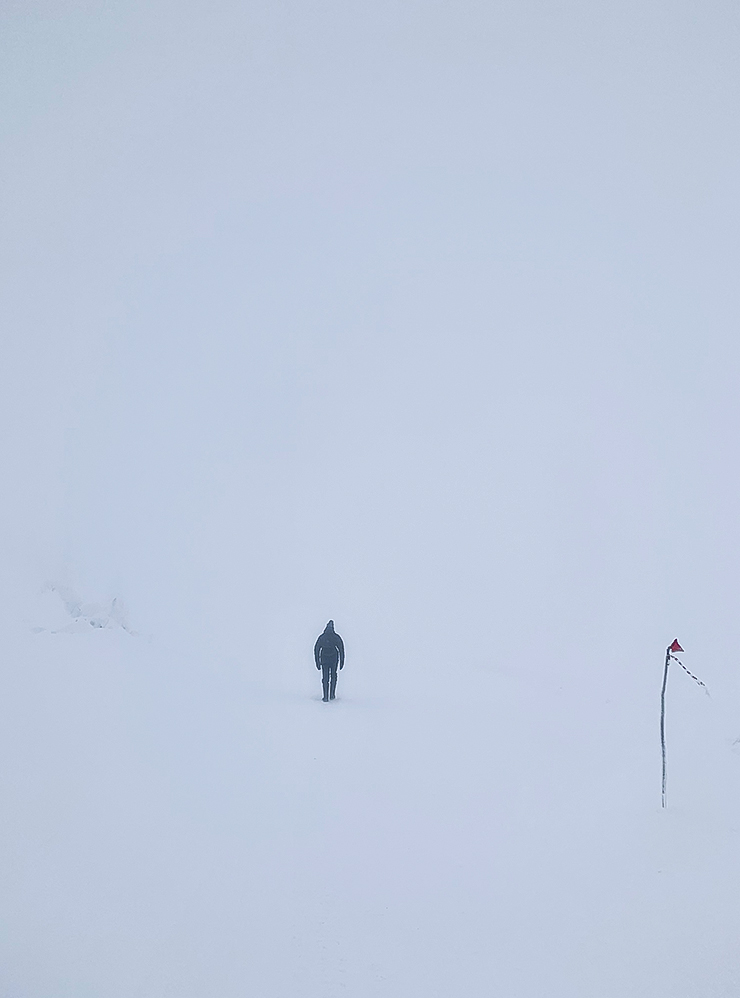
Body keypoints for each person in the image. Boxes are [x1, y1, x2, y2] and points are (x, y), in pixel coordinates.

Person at [314, 620, 345, 701]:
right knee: (333, 676)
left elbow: (316, 649)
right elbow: (341, 649)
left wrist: (317, 662)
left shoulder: (322, 637)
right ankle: (332, 695)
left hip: (324, 659)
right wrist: (342, 662)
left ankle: (325, 697)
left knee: (325, 678)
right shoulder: (336, 637)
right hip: (334, 659)